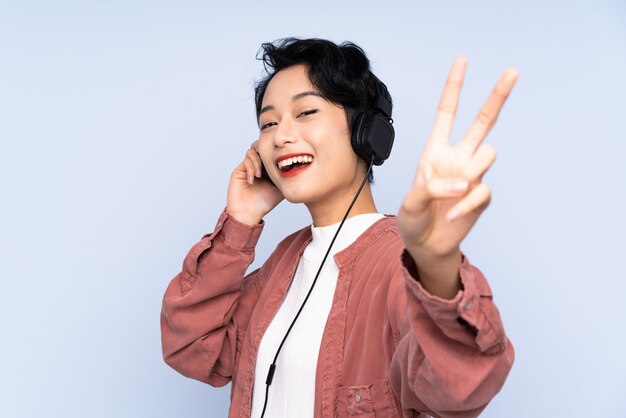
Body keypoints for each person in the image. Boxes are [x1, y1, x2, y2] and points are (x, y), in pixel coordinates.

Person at [160, 37, 518, 418]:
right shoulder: (282, 265)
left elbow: (462, 387)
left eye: (306, 112)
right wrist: (240, 222)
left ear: (368, 132)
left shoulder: (398, 267)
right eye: (268, 123)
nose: (280, 136)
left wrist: (438, 267)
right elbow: (191, 348)